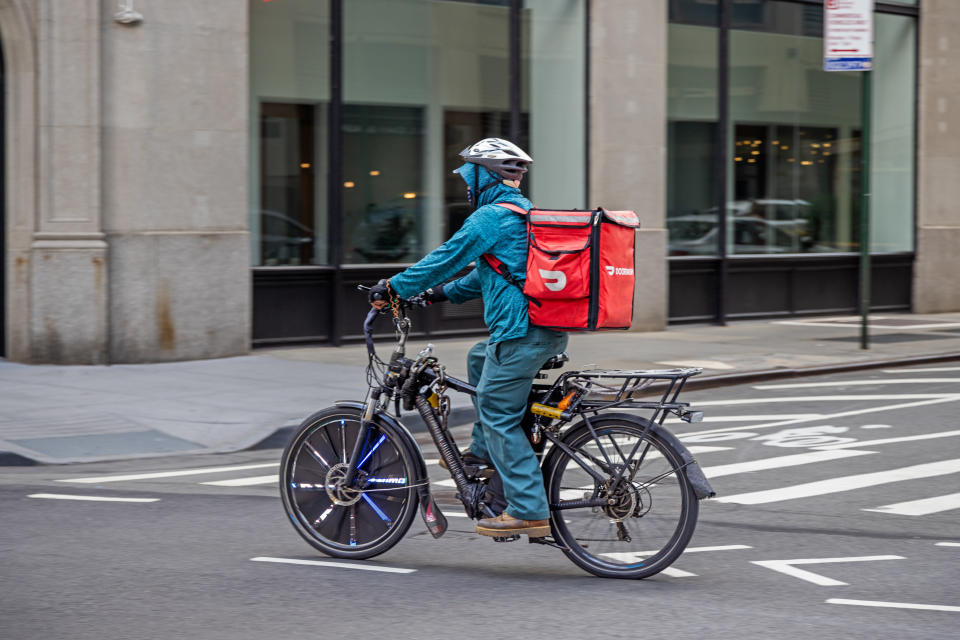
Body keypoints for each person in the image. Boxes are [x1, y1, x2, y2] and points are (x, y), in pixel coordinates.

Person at [368, 138, 568, 539]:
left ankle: (528, 510)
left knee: (499, 415)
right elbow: (490, 272)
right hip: (545, 330)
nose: (464, 183)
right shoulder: (526, 213)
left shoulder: (489, 218)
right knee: (480, 356)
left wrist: (394, 289)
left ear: (483, 174)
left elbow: (446, 258)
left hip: (520, 333)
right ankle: (481, 452)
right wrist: (440, 294)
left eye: (468, 174)